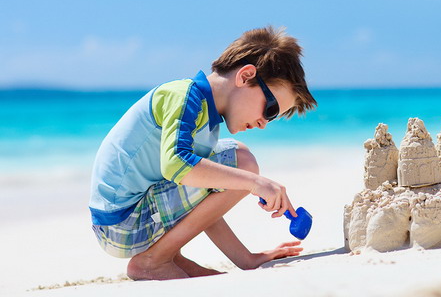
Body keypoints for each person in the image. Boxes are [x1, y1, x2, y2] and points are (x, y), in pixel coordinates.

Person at [88, 26, 317, 280]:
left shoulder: (207, 121)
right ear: (246, 76)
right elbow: (175, 165)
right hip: (122, 224)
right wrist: (254, 182)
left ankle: (169, 255)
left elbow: (203, 200)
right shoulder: (185, 97)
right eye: (271, 109)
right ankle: (154, 260)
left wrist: (246, 259)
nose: (264, 122)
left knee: (233, 164)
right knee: (242, 162)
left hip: (130, 220)